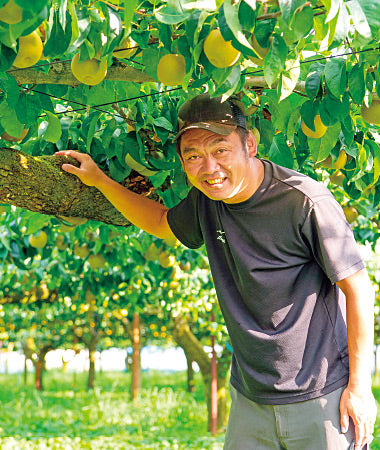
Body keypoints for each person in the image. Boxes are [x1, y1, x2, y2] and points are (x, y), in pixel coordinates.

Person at [56, 94, 377, 450]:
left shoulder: (304, 201)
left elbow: (358, 288)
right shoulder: (206, 200)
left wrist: (360, 388)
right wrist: (101, 180)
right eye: (194, 156)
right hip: (250, 399)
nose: (209, 168)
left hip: (321, 396)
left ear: (250, 144)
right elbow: (163, 222)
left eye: (220, 150)